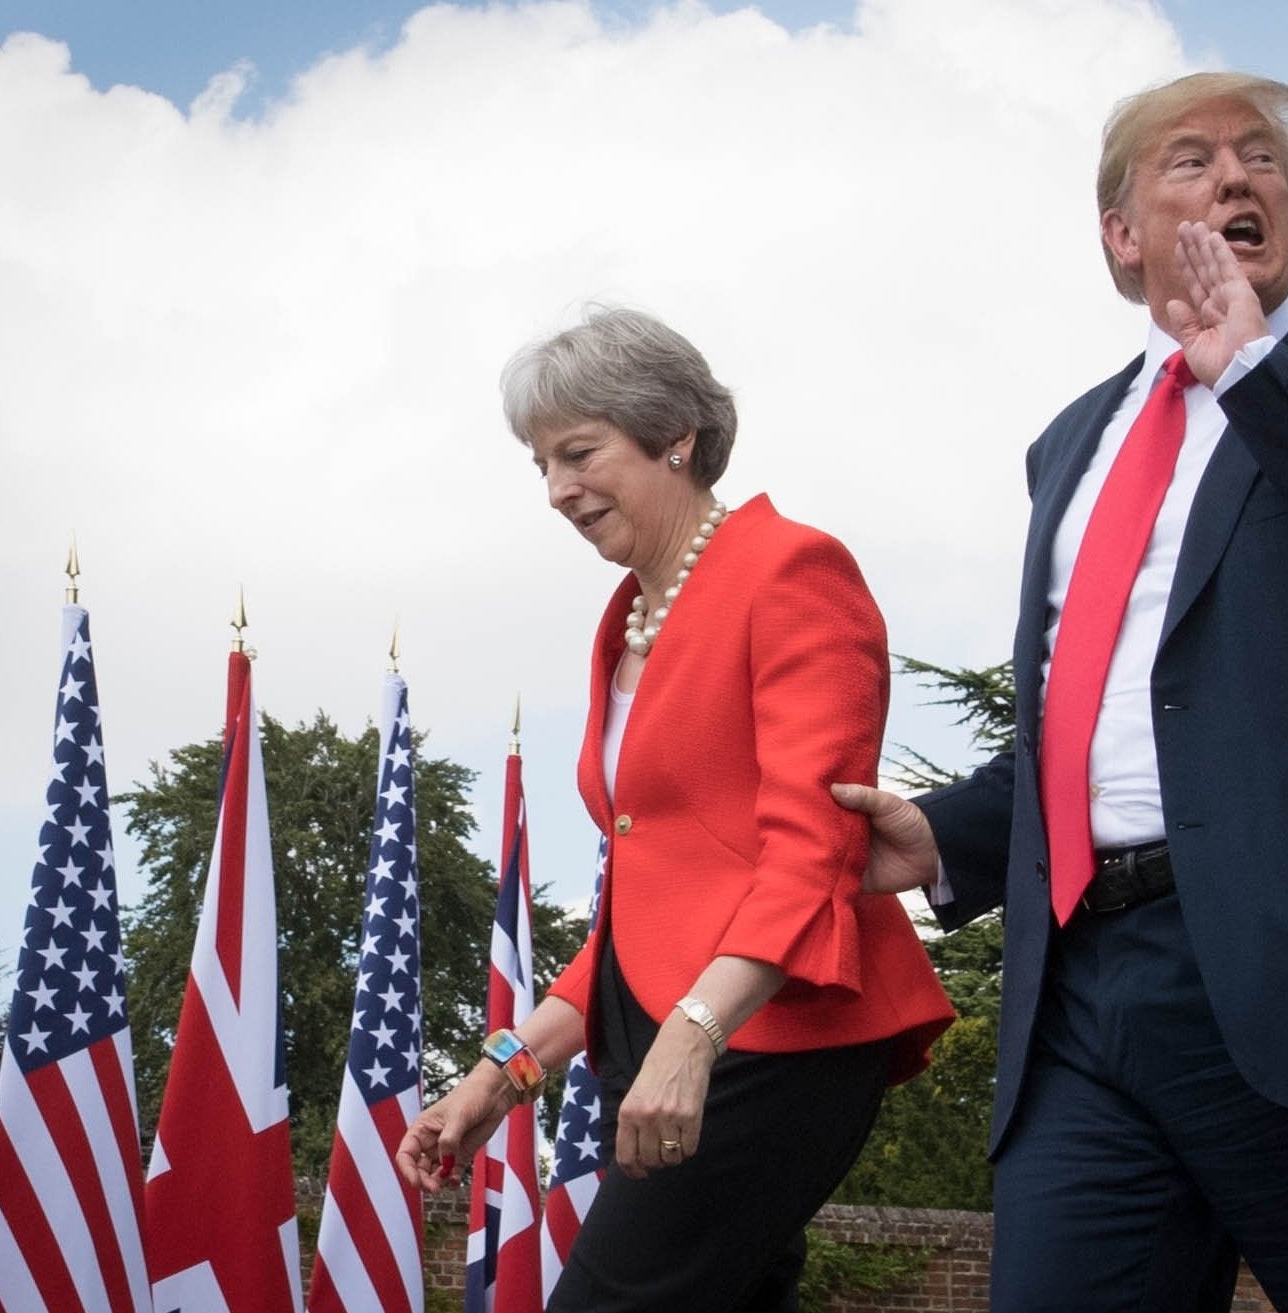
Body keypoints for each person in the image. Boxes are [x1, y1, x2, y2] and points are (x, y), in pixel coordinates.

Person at [833, 71, 1288, 1312]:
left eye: (1261, 160)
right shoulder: (1072, 441)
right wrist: (952, 830)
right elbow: (1109, 711)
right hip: (1085, 1002)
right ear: (1121, 236)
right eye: (1189, 159)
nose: (1235, 176)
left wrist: (1255, 375)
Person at [396, 306, 952, 1312]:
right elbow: (647, 901)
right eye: (541, 466)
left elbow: (807, 849)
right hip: (649, 1039)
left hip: (769, 1039)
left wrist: (692, 1037)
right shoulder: (627, 621)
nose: (560, 489)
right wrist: (503, 1072)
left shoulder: (786, 569)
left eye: (579, 452)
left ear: (674, 437)